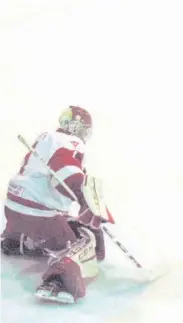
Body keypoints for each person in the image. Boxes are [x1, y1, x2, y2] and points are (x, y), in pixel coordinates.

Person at [1, 106, 113, 304]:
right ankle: (59, 280)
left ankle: (16, 241)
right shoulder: (71, 142)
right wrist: (85, 197)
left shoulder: (46, 137)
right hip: (39, 215)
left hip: (13, 207)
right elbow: (65, 172)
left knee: (65, 222)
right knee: (82, 241)